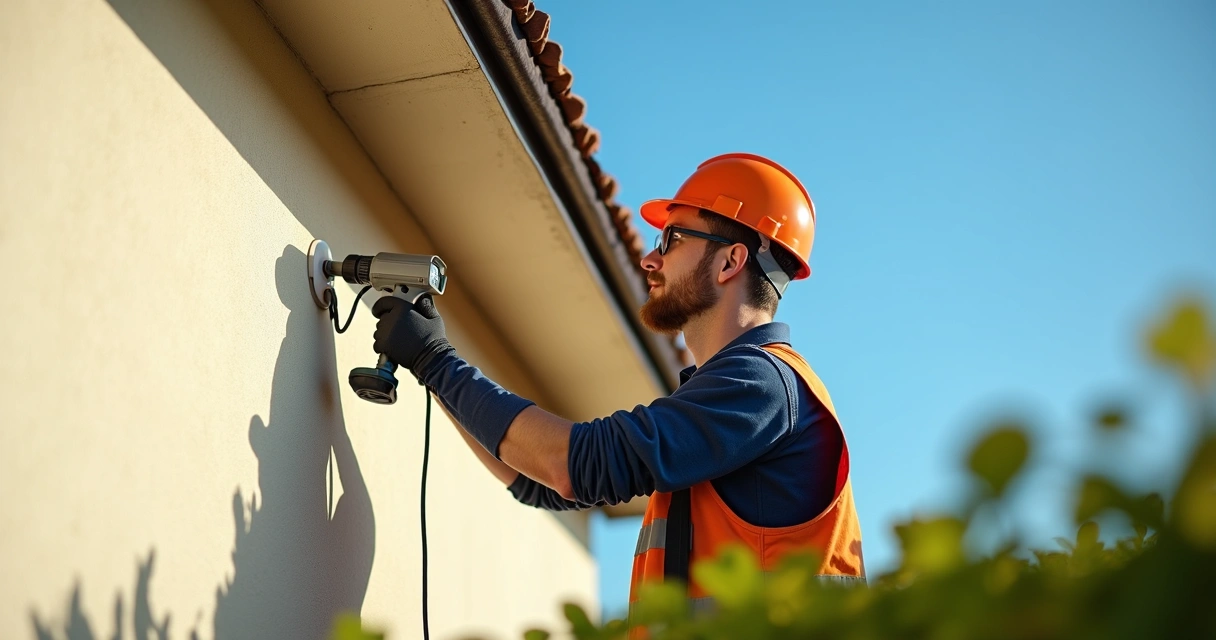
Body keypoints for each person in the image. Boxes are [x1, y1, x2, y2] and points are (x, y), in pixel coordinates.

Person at [370, 153, 864, 615]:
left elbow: (570, 465)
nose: (650, 261)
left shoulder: (762, 384)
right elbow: (539, 482)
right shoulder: (737, 398)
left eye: (671, 240)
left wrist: (436, 361)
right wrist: (432, 371)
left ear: (730, 262)